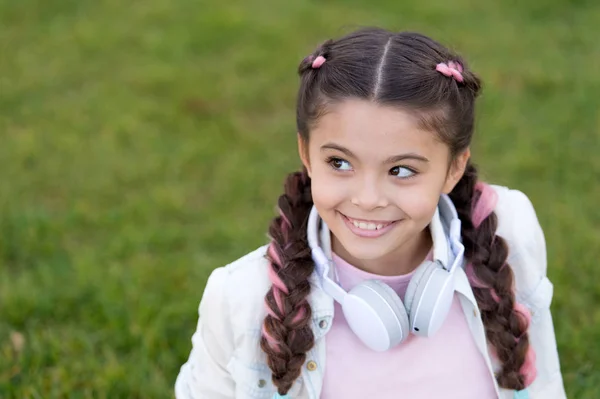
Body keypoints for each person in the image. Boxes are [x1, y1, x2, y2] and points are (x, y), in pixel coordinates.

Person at [174, 27, 566, 399]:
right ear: (306, 155)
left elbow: (544, 384)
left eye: (401, 170)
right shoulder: (241, 297)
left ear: (453, 169)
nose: (367, 198)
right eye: (340, 163)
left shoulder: (508, 229)